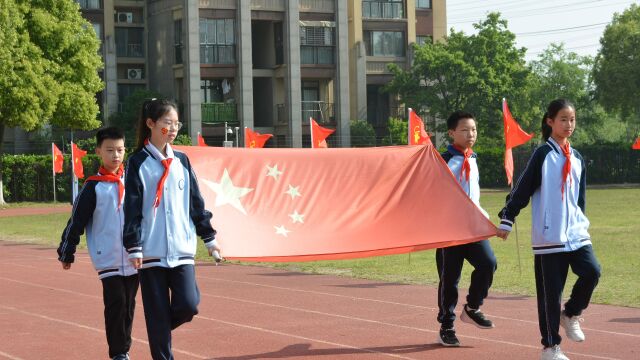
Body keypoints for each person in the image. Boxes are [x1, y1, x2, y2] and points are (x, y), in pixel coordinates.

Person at [496, 99, 601, 360]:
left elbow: (580, 198)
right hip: (549, 236)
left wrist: (581, 222)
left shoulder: (576, 158)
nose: (568, 124)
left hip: (576, 235)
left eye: (572, 119)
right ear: (550, 121)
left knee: (592, 271)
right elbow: (523, 187)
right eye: (563, 119)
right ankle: (550, 347)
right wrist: (508, 216)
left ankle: (572, 313)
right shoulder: (543, 154)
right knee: (550, 295)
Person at [123, 98, 221, 360]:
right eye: (168, 123)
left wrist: (209, 239)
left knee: (189, 305)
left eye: (177, 123)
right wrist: (134, 246)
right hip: (150, 253)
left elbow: (195, 203)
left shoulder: (181, 161)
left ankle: (159, 327)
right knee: (156, 316)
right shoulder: (137, 163)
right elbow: (131, 208)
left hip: (181, 250)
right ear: (151, 124)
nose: (174, 128)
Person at [58, 127, 137, 360]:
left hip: (134, 256)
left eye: (120, 150)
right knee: (117, 304)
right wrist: (67, 251)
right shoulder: (93, 186)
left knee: (129, 306)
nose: (116, 155)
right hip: (108, 258)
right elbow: (77, 221)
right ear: (98, 152)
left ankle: (124, 348)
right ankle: (119, 353)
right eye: (110, 150)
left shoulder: (134, 183)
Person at [436, 111, 497, 347]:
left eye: (473, 130)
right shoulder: (442, 161)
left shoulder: (473, 159)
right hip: (450, 232)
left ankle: (472, 307)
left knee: (488, 263)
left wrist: (484, 219)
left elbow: (474, 197)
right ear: (451, 133)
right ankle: (446, 325)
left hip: (473, 229)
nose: (471, 134)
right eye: (465, 130)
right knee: (450, 280)